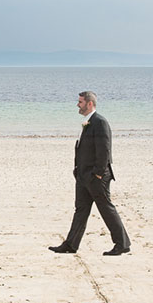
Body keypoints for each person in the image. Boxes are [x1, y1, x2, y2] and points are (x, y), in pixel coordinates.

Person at [49, 91, 131, 256]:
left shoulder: (100, 122)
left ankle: (122, 244)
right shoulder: (87, 122)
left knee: (106, 209)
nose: (77, 105)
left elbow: (104, 150)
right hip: (82, 176)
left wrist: (98, 174)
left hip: (96, 177)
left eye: (80, 102)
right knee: (80, 210)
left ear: (89, 103)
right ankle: (71, 244)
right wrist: (78, 171)